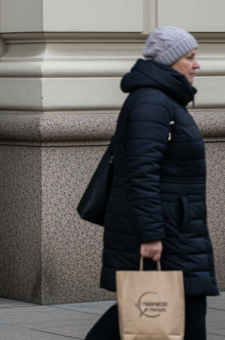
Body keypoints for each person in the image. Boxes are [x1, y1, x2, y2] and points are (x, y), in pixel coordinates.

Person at [85, 26, 218, 339]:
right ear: (169, 62)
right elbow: (141, 172)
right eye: (190, 57)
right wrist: (151, 235)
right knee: (163, 308)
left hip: (177, 227)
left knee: (153, 309)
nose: (197, 64)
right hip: (168, 231)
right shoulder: (153, 102)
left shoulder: (163, 99)